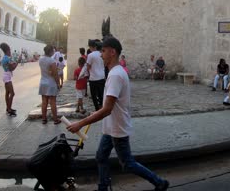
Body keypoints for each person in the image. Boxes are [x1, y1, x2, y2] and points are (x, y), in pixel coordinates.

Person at [67, 37, 170, 191]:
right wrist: (100, 110)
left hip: (117, 129)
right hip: (111, 127)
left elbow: (107, 109)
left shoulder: (115, 75)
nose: (101, 55)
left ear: (112, 52)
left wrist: (80, 124)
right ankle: (103, 187)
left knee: (127, 163)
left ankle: (159, 182)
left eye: (103, 51)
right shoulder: (116, 72)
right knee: (101, 156)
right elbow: (109, 105)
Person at [38, 45, 61, 124]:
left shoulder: (40, 59)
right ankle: (55, 119)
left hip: (43, 81)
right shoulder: (51, 61)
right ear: (51, 51)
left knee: (44, 102)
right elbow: (55, 74)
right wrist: (58, 83)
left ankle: (44, 119)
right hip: (51, 83)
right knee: (53, 102)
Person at [0, 43, 19, 117]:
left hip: (6, 75)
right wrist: (18, 61)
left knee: (7, 93)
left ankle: (8, 108)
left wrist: (14, 62)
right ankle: (9, 110)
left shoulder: (6, 57)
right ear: (7, 50)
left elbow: (11, 65)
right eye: (10, 50)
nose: (10, 51)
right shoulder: (7, 58)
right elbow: (12, 68)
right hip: (7, 77)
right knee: (12, 93)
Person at [87, 40, 106, 110]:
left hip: (93, 78)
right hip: (101, 76)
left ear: (91, 47)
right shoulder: (102, 54)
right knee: (101, 94)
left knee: (93, 95)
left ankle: (97, 109)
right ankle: (102, 108)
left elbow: (88, 67)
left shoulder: (90, 55)